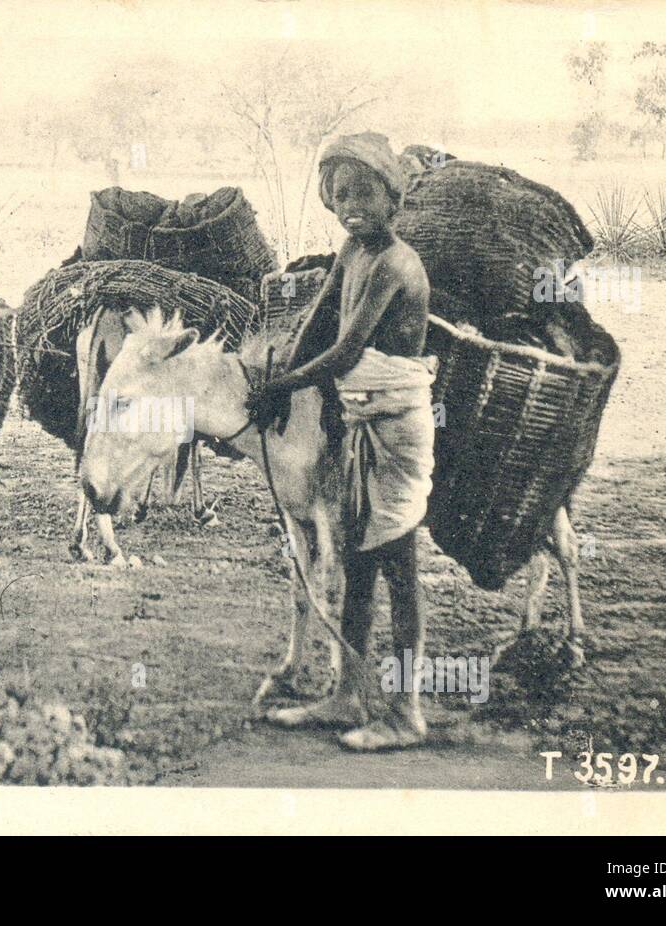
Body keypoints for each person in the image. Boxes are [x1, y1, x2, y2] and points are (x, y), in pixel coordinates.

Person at [247, 132, 437, 749]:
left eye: (363, 192)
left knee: (399, 568)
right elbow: (318, 324)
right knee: (357, 561)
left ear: (393, 196)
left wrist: (292, 380)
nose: (349, 204)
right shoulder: (351, 251)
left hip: (396, 430)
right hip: (361, 424)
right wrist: (280, 380)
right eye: (339, 193)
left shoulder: (395, 263)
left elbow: (348, 349)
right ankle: (348, 694)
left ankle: (406, 713)